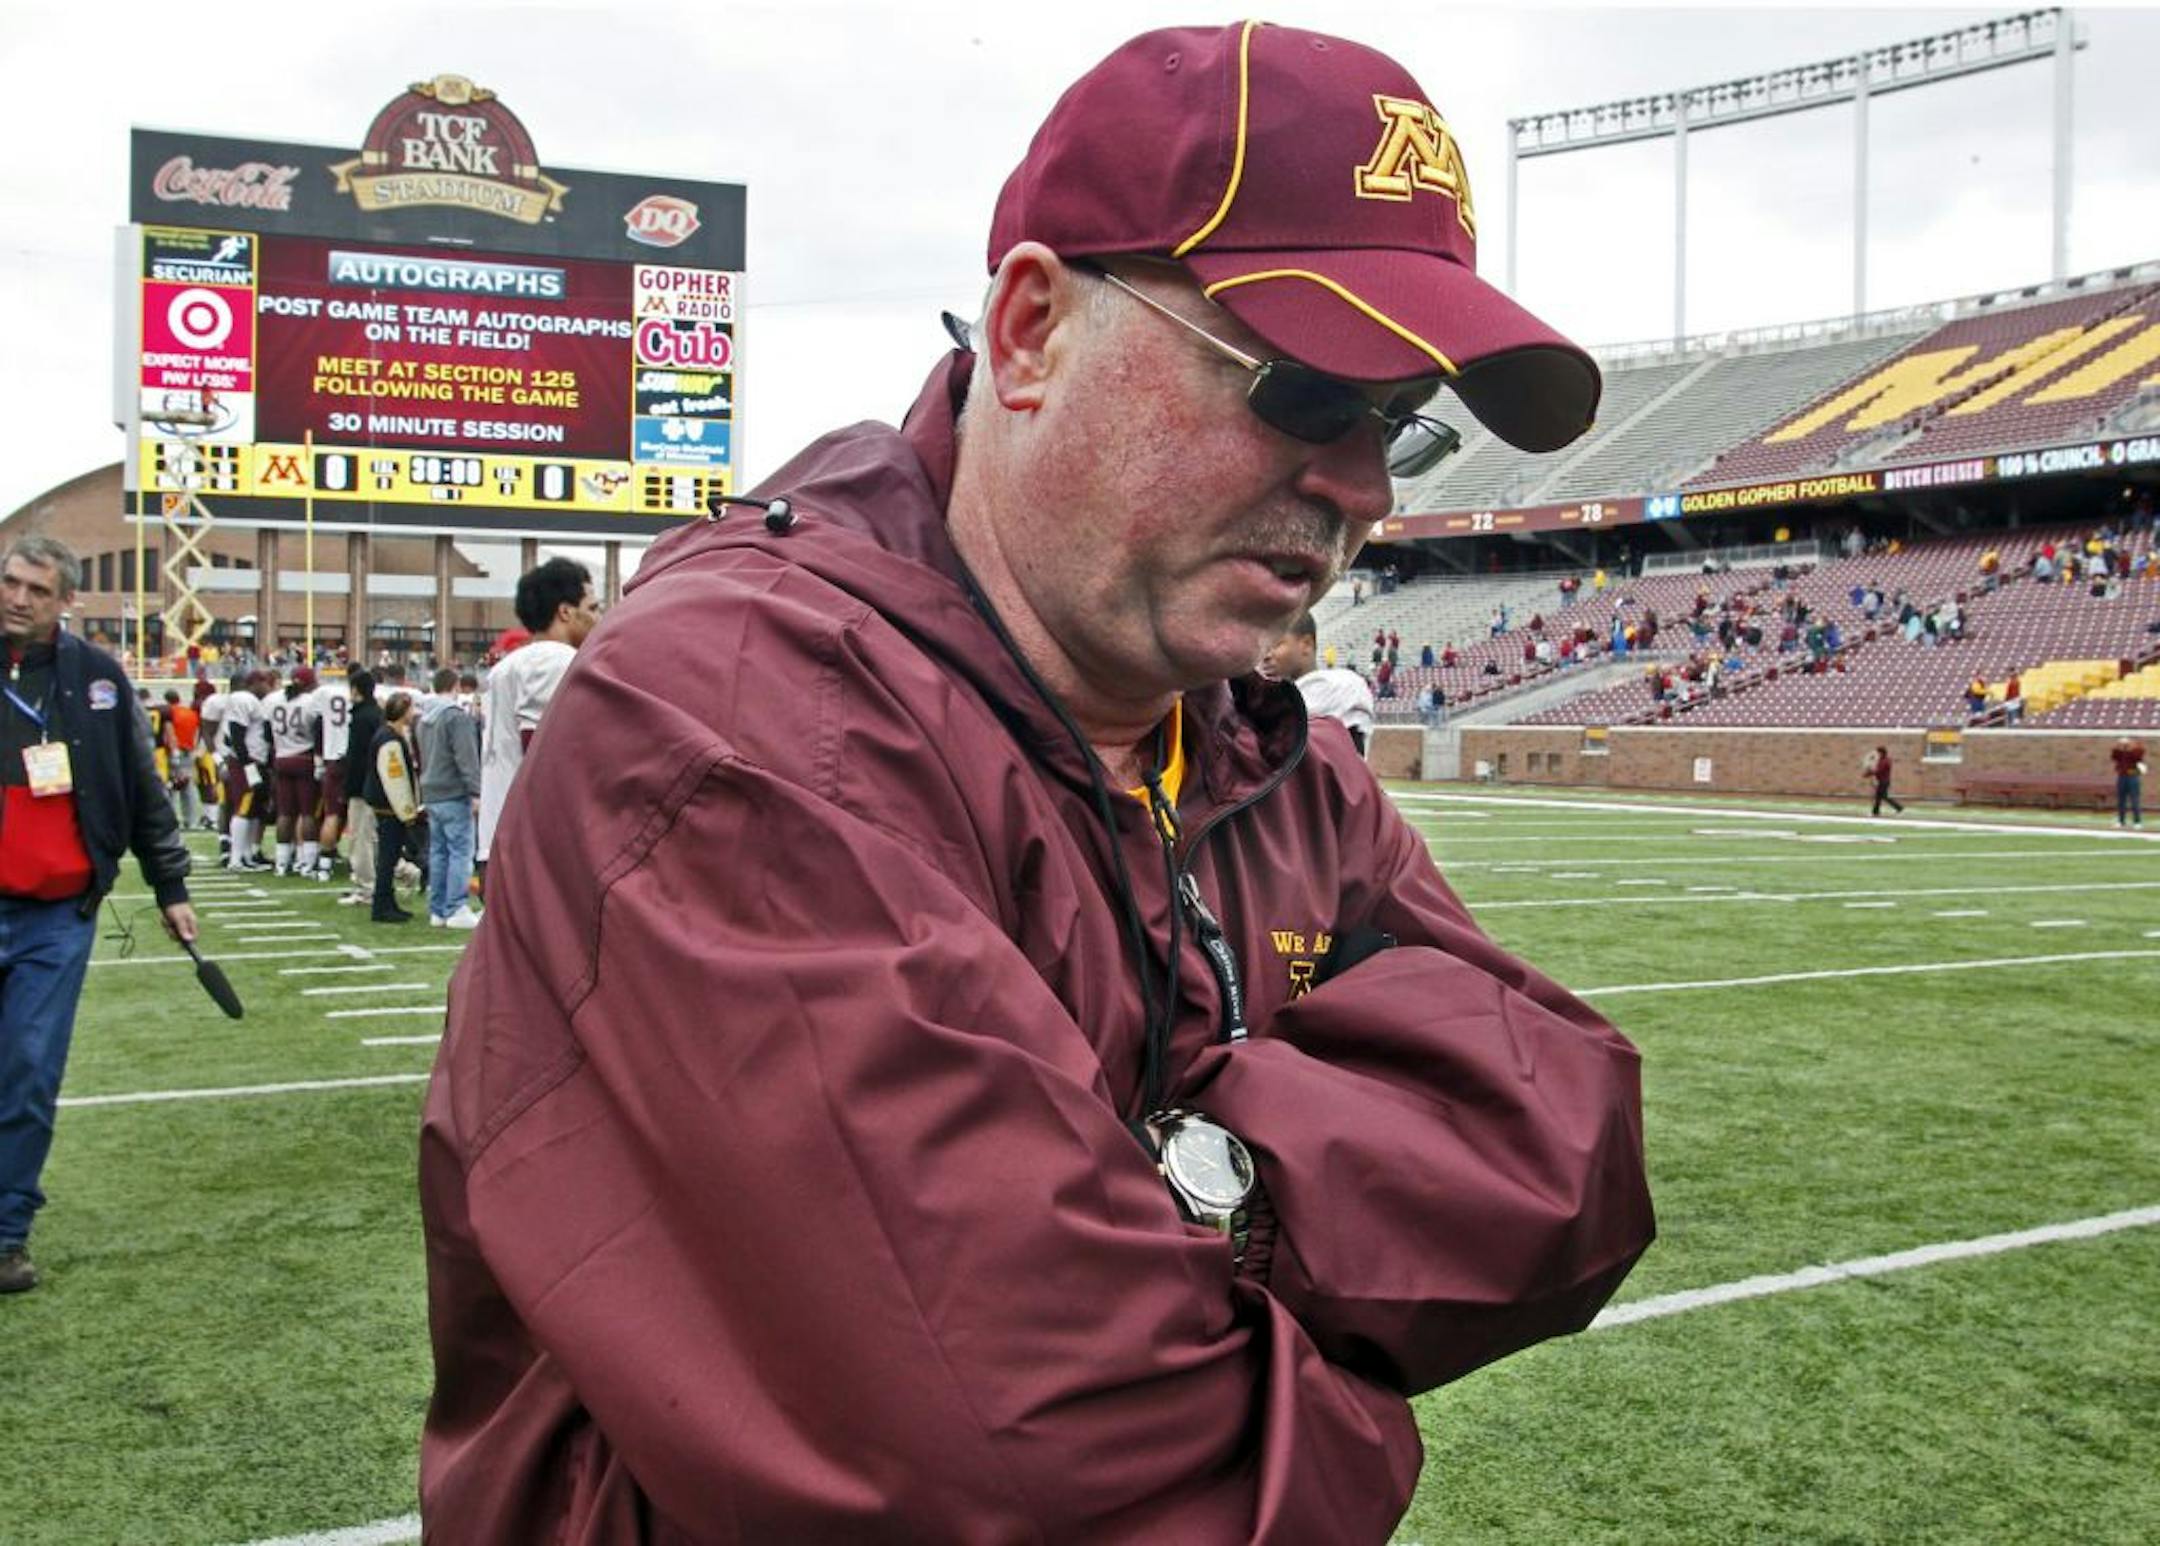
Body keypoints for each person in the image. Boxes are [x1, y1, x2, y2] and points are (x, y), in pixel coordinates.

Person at [419, 24, 1651, 1541]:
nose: (1364, 488)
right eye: (1309, 389)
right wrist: (1328, 1271)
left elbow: (1568, 1150)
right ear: (1031, 332)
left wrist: (1186, 1190)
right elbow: (1058, 1474)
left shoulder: (1263, 744)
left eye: (1400, 423)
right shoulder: (742, 724)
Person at [1, 537, 196, 1294]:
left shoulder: (97, 680)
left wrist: (170, 886)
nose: (18, 597)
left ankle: (6, 1231)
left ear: (65, 602)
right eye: (10, 581)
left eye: (36, 590)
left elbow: (143, 792)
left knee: (27, 1073)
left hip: (56, 917)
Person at [475, 557, 595, 881]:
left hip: (504, 832)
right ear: (566, 611)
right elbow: (542, 756)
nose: (599, 618)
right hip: (539, 842)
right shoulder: (556, 660)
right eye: (593, 607)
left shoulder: (508, 667)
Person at [415, 667, 483, 929]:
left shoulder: (423, 719)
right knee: (459, 852)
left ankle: (439, 908)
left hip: (431, 789)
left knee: (439, 852)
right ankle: (456, 907)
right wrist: (476, 791)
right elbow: (466, 757)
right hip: (453, 791)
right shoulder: (456, 718)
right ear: (455, 686)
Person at [1263, 611, 1376, 755]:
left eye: (1275, 644)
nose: (1266, 655)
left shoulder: (1339, 687)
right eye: (1263, 646)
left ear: (1306, 644)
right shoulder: (1267, 697)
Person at [362, 691, 419, 924]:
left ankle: (387, 902)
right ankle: (382, 905)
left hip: (386, 806)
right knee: (387, 858)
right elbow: (395, 779)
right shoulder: (390, 740)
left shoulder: (388, 735)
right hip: (389, 808)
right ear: (403, 711)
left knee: (390, 856)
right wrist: (407, 811)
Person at [268, 665, 323, 877]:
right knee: (307, 813)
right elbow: (318, 732)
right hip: (304, 758)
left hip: (281, 758)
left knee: (284, 814)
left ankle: (281, 863)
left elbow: (266, 732)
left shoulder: (273, 700)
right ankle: (307, 862)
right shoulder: (311, 702)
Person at [337, 671, 382, 908]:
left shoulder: (363, 717)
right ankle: (405, 872)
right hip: (373, 784)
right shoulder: (375, 714)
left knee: (361, 839)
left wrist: (349, 786)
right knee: (371, 838)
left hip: (363, 786)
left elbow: (357, 757)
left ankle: (366, 888)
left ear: (356, 689)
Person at [2111, 736, 2146, 828]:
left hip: (2133, 777)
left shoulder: (2136, 752)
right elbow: (2114, 755)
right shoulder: (2121, 754)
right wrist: (2118, 745)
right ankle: (2121, 820)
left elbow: (2139, 755)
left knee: (2135, 800)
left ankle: (2137, 821)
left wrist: (2131, 745)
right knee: (2121, 800)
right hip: (2122, 777)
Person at [1865, 744, 1905, 816]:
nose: (1877, 754)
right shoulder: (1880, 760)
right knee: (1879, 797)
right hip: (1881, 781)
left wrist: (1869, 773)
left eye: (1878, 752)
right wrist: (1869, 771)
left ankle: (1899, 808)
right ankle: (1876, 812)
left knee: (1883, 797)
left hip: (1884, 782)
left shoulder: (1886, 761)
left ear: (1882, 753)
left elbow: (1879, 770)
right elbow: (1876, 769)